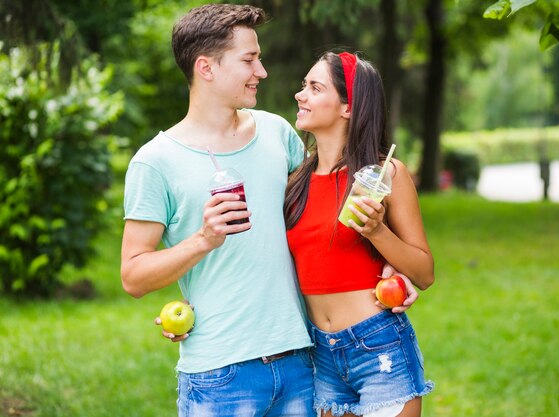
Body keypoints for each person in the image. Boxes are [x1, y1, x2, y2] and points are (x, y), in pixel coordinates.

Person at [120, 4, 316, 416]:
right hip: (220, 374)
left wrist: (386, 267)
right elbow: (133, 275)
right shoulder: (156, 161)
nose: (260, 71)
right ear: (206, 68)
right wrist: (202, 241)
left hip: (300, 359)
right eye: (249, 60)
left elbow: (317, 223)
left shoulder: (277, 134)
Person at [284, 51, 435, 417]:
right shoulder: (294, 181)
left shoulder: (386, 175)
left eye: (315, 87)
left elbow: (425, 273)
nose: (300, 95)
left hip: (379, 347)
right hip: (320, 353)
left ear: (348, 107)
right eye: (304, 85)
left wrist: (377, 232)